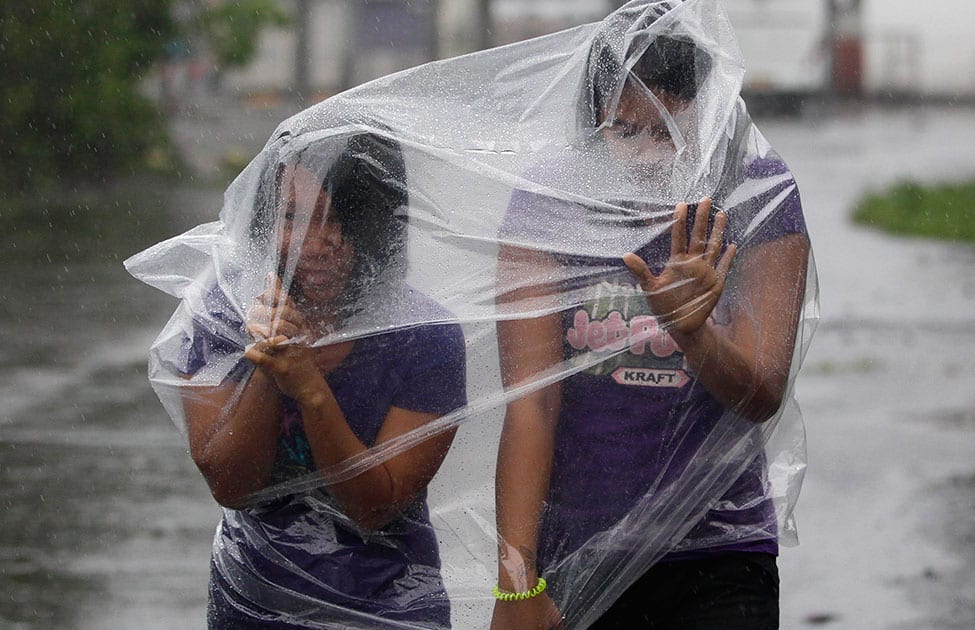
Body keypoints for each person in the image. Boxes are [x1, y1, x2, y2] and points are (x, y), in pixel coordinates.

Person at [490, 19, 810, 630]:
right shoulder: (549, 206)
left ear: (706, 122)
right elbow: (532, 406)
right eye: (623, 129)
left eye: (665, 132)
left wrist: (696, 332)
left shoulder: (753, 197)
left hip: (718, 548)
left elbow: (762, 392)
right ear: (595, 125)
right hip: (580, 547)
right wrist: (514, 585)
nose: (641, 153)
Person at [173, 130, 467, 628]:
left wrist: (310, 391)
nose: (316, 244)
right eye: (293, 218)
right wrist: (268, 364)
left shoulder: (425, 337)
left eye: (341, 220)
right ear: (266, 222)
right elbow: (231, 485)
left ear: (380, 226)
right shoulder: (222, 317)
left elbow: (376, 506)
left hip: (388, 607)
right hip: (252, 605)